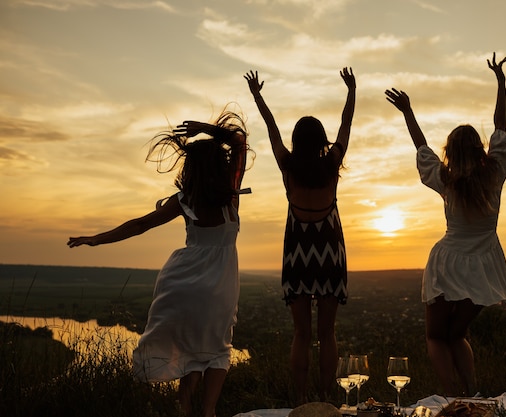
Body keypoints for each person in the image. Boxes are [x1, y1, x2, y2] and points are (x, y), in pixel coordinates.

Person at [67, 109, 252, 417]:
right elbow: (240, 142)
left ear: (191, 167)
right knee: (217, 350)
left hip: (182, 284)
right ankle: (208, 412)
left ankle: (184, 409)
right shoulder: (231, 196)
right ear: (221, 166)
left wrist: (97, 239)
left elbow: (140, 224)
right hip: (220, 287)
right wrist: (205, 129)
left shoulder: (184, 200)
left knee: (190, 350)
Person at [385, 53, 506, 396]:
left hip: (447, 262)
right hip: (483, 264)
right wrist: (501, 82)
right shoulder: (494, 174)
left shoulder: (447, 179)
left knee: (436, 336)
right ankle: (471, 392)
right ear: (480, 150)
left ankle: (450, 397)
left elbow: (421, 147)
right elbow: (501, 128)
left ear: (451, 152)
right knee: (457, 334)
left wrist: (408, 112)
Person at [244, 68, 356, 404]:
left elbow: (271, 129)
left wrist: (257, 95)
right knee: (328, 333)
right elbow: (346, 125)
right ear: (322, 141)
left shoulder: (287, 166)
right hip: (329, 249)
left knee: (302, 334)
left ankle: (301, 400)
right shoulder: (332, 163)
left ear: (297, 141)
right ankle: (325, 399)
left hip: (297, 251)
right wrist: (352, 90)